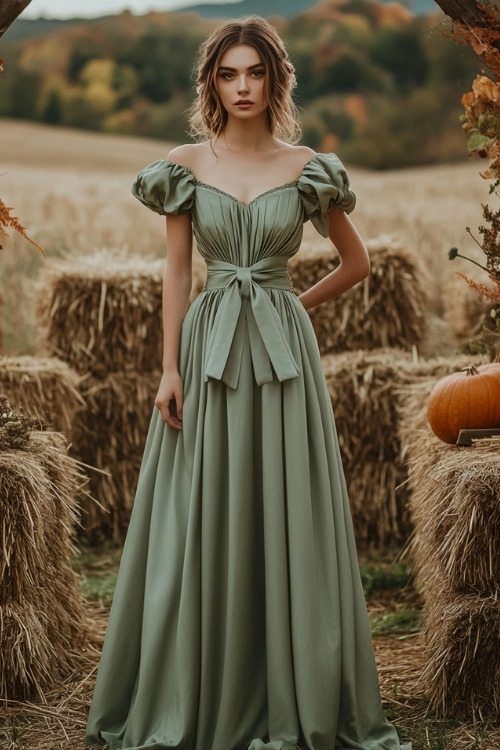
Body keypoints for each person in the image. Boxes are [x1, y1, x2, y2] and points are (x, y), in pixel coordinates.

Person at [86, 15, 410, 750]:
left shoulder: (307, 166)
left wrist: (292, 305)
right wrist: (167, 367)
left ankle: (290, 688)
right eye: (228, 74)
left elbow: (356, 264)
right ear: (211, 83)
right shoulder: (183, 164)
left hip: (280, 353)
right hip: (206, 351)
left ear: (274, 81)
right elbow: (176, 269)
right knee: (203, 507)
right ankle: (202, 684)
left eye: (254, 73)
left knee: (285, 508)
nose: (241, 86)